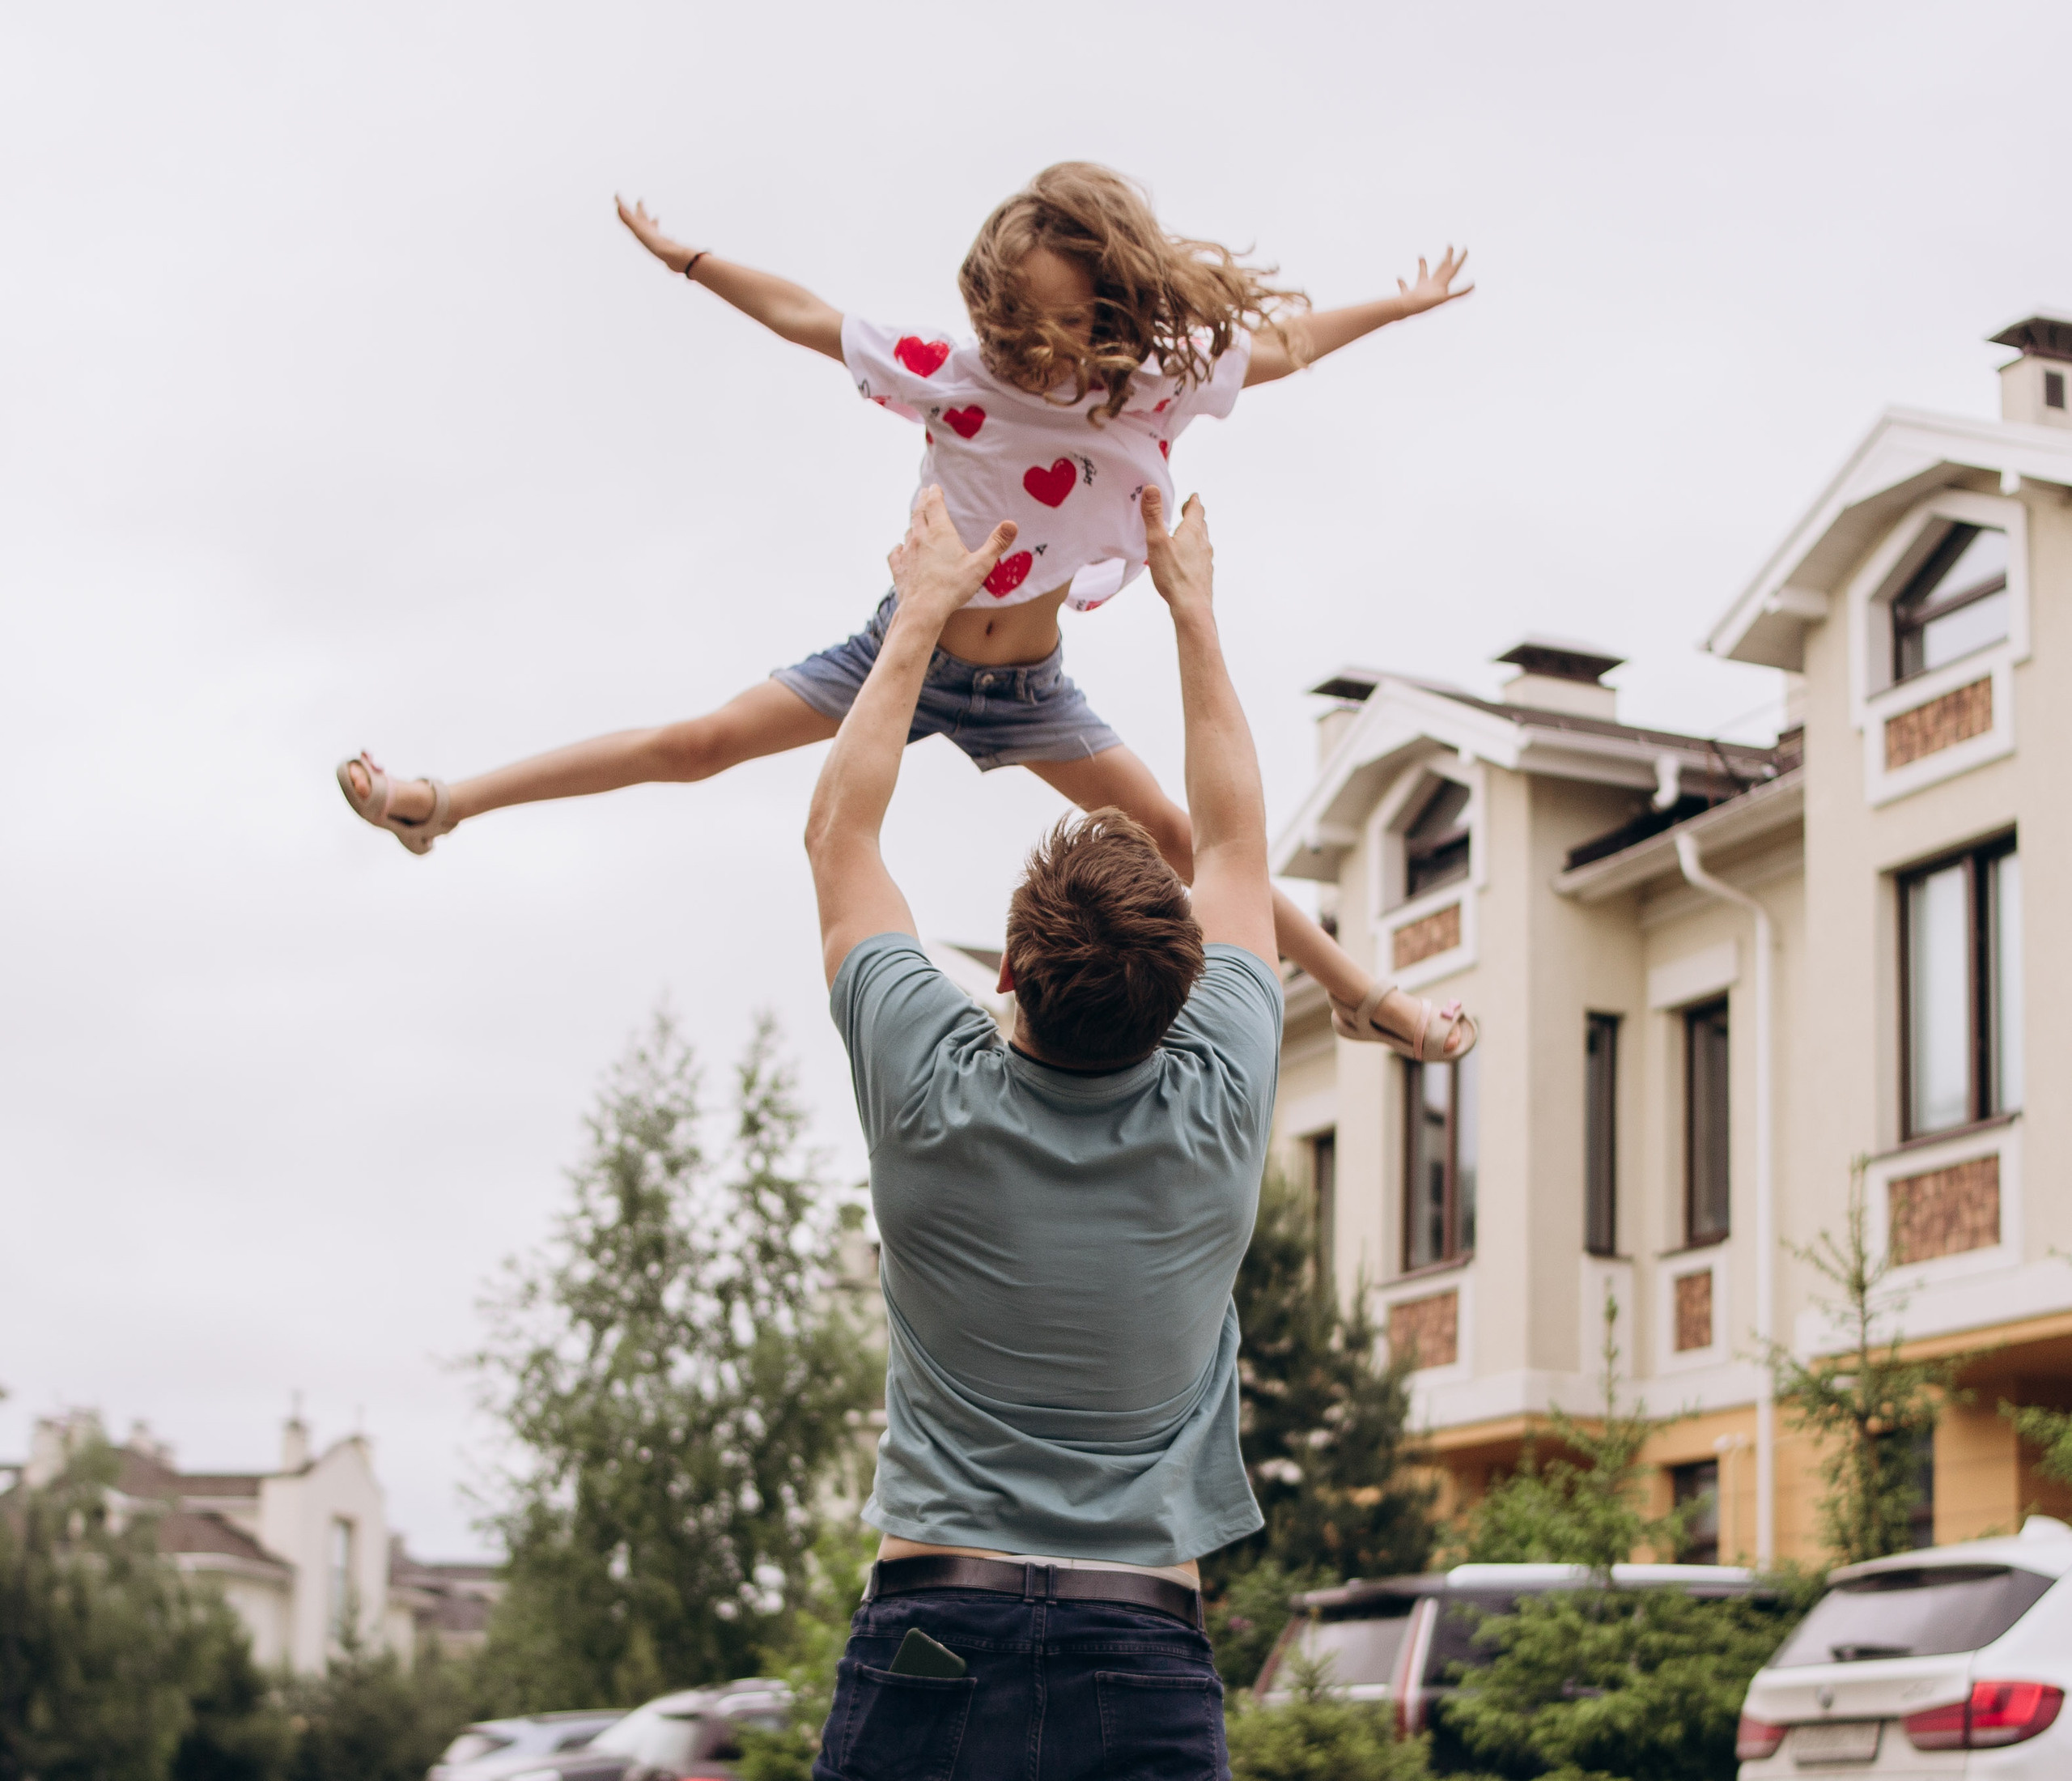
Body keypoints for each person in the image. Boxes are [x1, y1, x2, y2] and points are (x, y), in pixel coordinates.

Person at [338, 162, 1476, 1060]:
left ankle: (1365, 999)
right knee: (698, 744)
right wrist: (691, 260)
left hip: (1031, 693)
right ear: (991, 307)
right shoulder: (952, 371)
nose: (1049, 352)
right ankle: (444, 806)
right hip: (905, 652)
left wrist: (1404, 306)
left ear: (1111, 303)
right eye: (1027, 326)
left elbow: (1283, 345)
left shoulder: (1149, 390)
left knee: (1188, 839)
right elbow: (805, 316)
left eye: (1073, 323)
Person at [804, 480, 1276, 1777]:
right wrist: (1192, 610)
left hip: (929, 1632)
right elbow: (1235, 841)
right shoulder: (1220, 1093)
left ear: (1003, 972)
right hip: (1142, 1649)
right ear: (1183, 999)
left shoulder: (926, 1078)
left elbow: (840, 832)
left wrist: (920, 617)